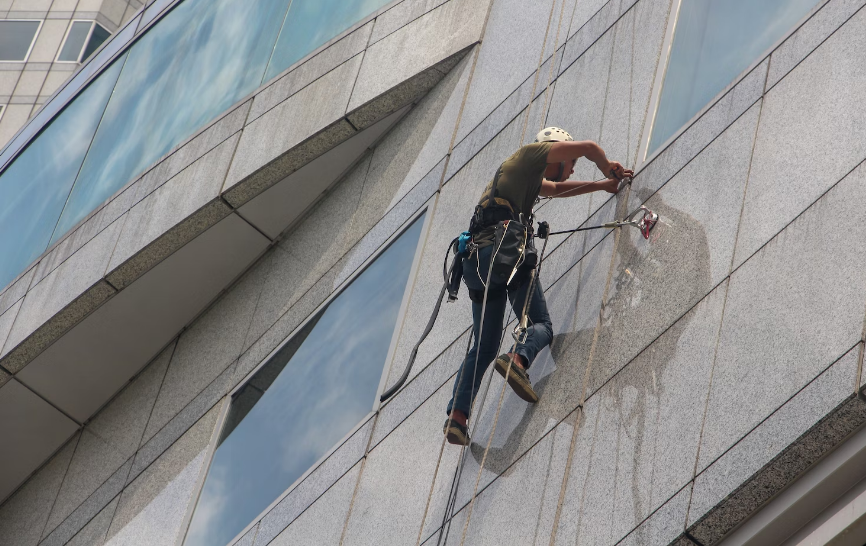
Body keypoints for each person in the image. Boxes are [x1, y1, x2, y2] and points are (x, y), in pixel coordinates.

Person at [443, 127, 634, 446]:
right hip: (504, 252)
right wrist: (607, 166)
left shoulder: (521, 179)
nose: (571, 168)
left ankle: (457, 417)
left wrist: (602, 186)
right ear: (556, 150)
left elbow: (556, 189)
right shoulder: (529, 155)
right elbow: (589, 147)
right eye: (570, 161)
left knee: (484, 346)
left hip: (476, 261)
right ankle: (518, 359)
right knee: (541, 324)